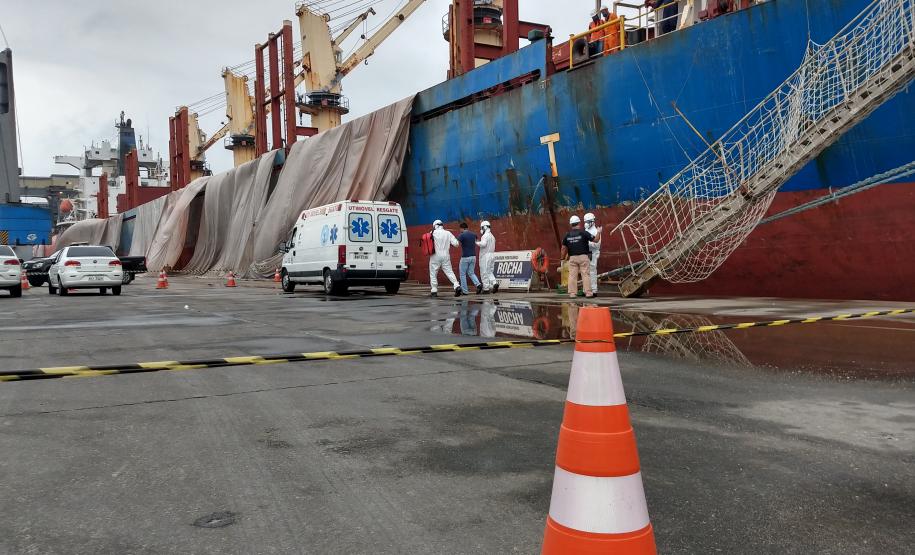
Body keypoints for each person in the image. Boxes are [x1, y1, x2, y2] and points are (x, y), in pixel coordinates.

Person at [561, 215, 593, 299]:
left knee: (572, 275)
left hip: (572, 258)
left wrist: (562, 258)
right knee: (585, 274)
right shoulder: (584, 232)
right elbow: (595, 240)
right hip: (583, 256)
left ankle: (572, 293)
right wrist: (599, 232)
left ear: (571, 224)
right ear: (579, 223)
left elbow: (563, 248)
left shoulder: (567, 235)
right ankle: (588, 293)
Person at [429, 219, 462, 297]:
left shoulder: (432, 233)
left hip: (435, 256)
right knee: (449, 272)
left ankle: (434, 290)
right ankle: (456, 285)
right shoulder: (448, 233)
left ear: (435, 226)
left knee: (433, 273)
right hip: (446, 255)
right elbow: (456, 244)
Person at [457, 222, 483, 295]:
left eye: (460, 229)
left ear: (462, 228)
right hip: (473, 256)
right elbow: (477, 242)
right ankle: (478, 284)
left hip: (465, 257)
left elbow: (456, 243)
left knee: (462, 274)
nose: (460, 230)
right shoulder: (474, 234)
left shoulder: (462, 235)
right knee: (471, 272)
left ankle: (465, 291)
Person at [476, 220, 498, 294]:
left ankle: (486, 288)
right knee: (489, 271)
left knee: (484, 272)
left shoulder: (485, 236)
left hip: (485, 256)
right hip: (492, 255)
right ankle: (494, 283)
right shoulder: (492, 236)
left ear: (485, 227)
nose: (481, 229)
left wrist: (476, 242)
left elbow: (483, 244)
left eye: (482, 227)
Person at [584, 212, 602, 296]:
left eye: (587, 222)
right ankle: (586, 289)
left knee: (592, 272)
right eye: (585, 222)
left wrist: (586, 244)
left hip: (592, 253)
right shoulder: (586, 231)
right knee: (585, 272)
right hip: (586, 253)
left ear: (592, 221)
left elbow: (597, 244)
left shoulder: (596, 231)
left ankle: (594, 290)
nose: (586, 224)